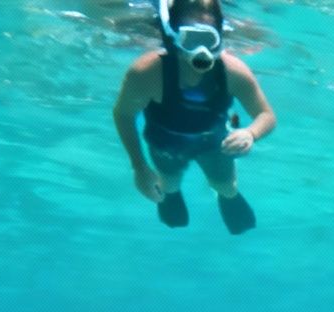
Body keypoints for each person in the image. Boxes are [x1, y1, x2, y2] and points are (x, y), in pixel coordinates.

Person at [112, 0, 276, 233]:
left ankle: (226, 196)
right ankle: (173, 193)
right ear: (173, 36)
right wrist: (138, 167)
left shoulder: (233, 72)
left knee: (226, 186)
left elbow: (266, 115)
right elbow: (123, 114)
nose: (201, 51)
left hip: (213, 142)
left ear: (220, 37)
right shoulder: (147, 72)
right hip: (165, 143)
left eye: (208, 40)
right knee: (168, 183)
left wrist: (251, 133)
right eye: (191, 39)